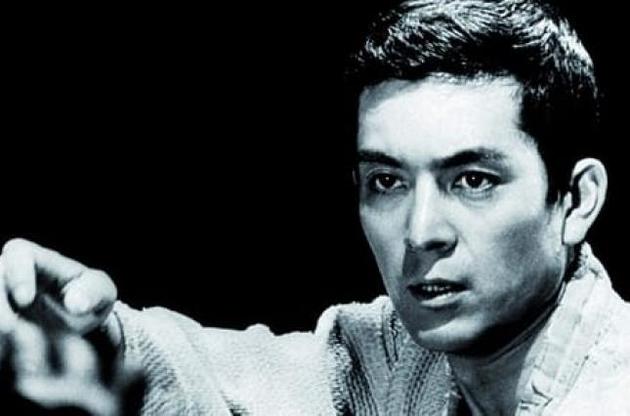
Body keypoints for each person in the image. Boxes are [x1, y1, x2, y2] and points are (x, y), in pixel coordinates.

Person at [1, 0, 629, 414]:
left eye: (472, 180)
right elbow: (218, 377)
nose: (420, 232)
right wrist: (86, 337)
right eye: (387, 182)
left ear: (576, 201)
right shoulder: (395, 355)